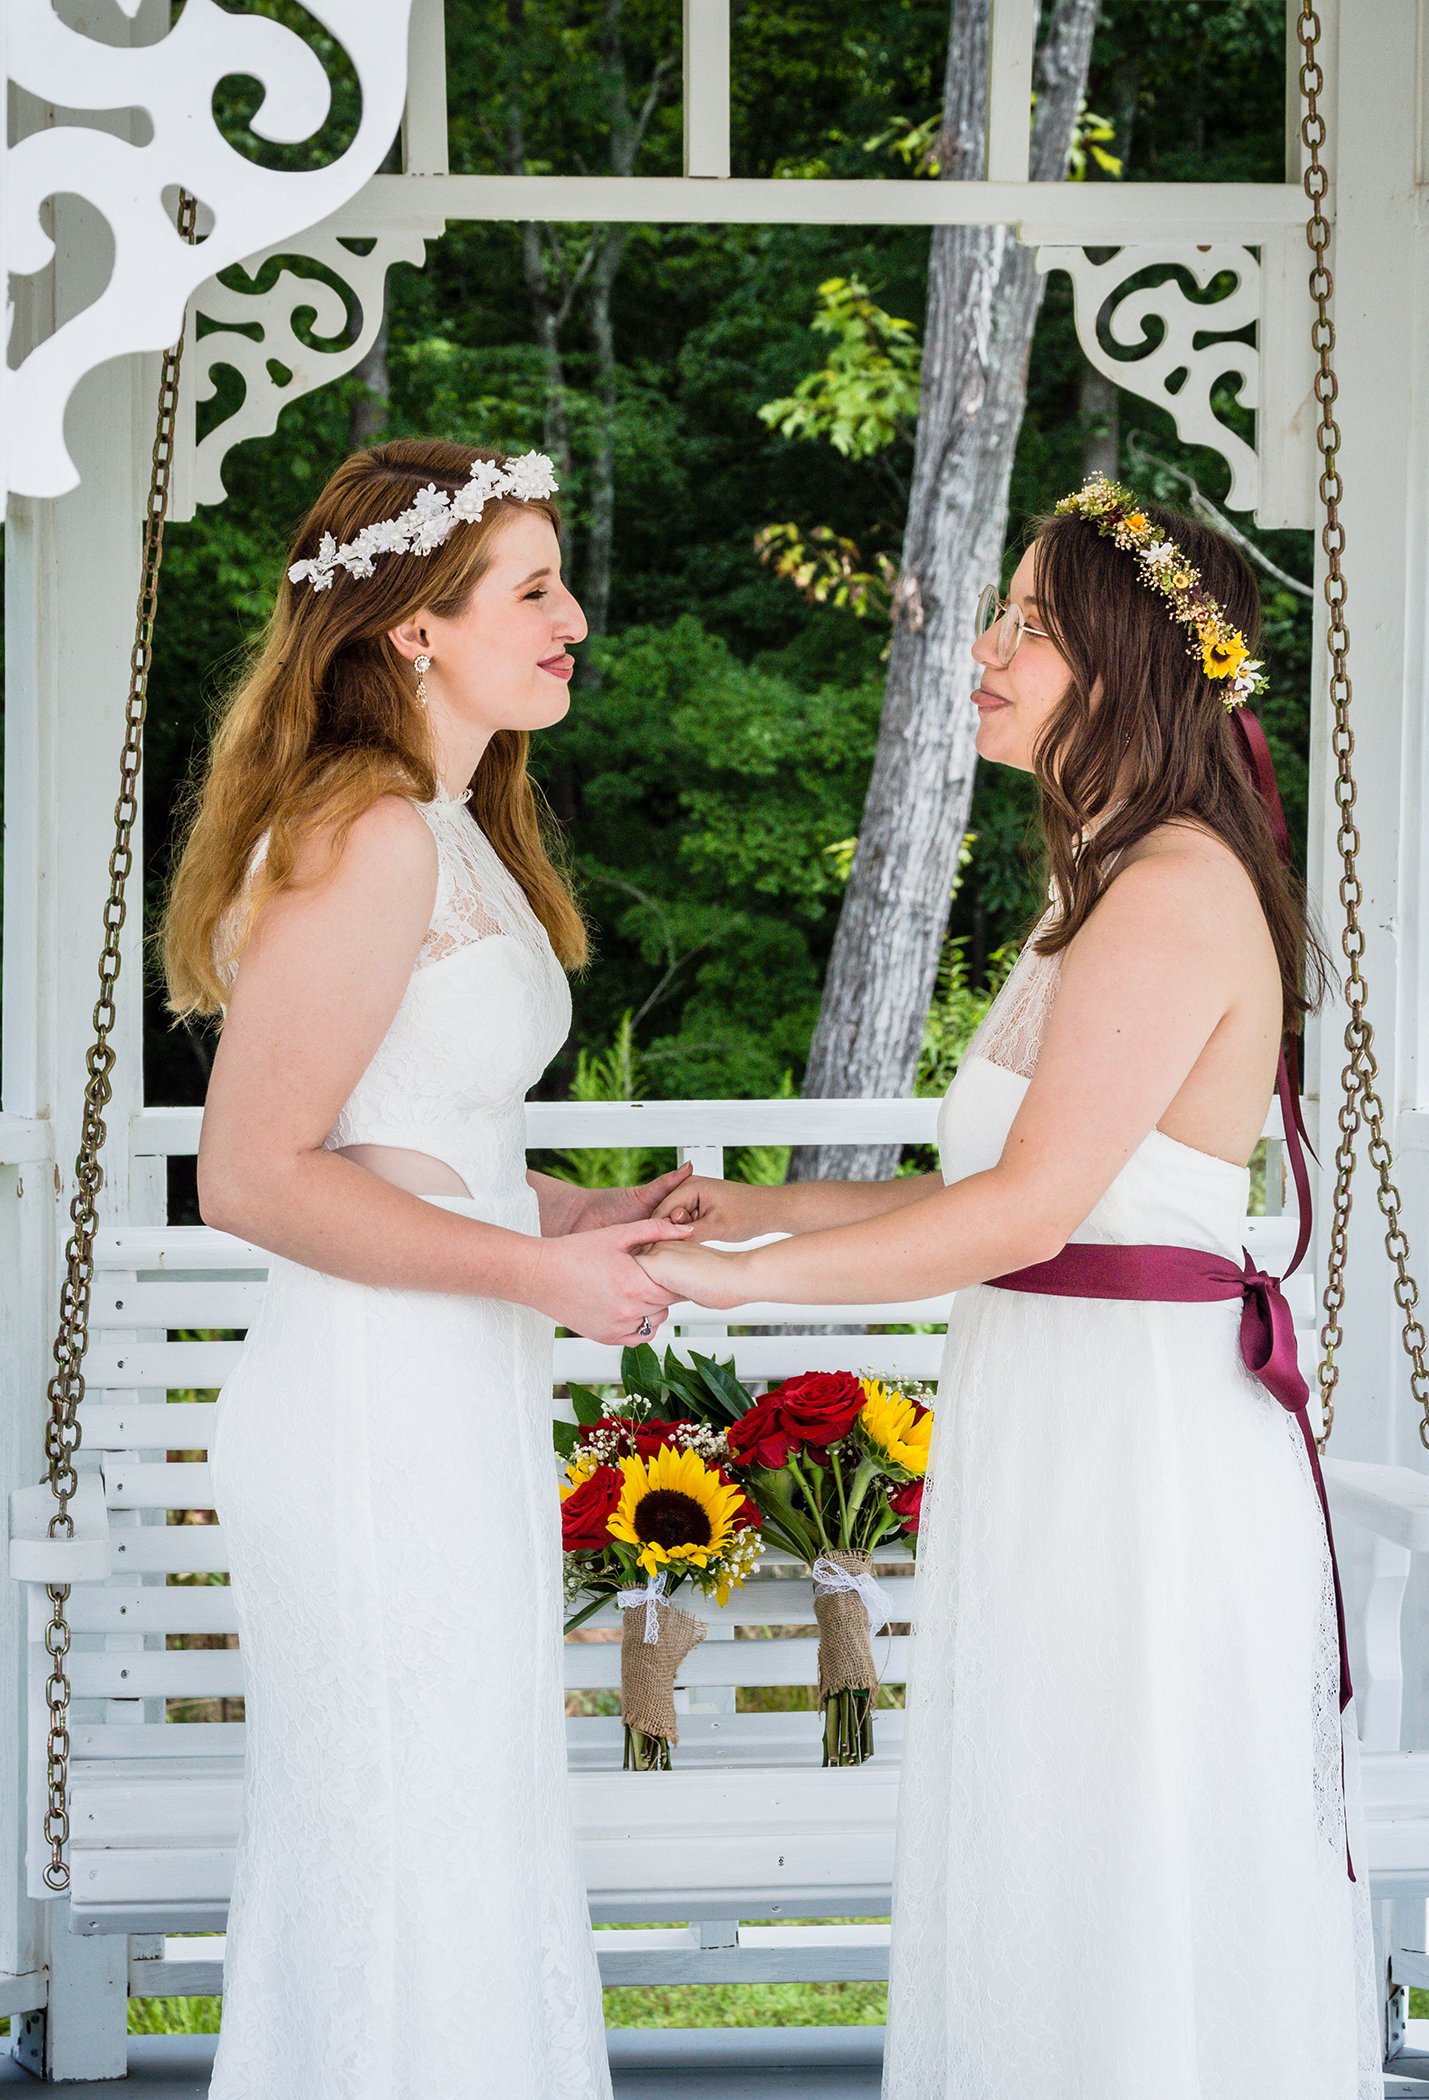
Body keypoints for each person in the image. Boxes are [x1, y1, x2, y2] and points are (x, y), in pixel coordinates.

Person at [641, 481, 1384, 2098]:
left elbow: (1027, 1213)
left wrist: (729, 1291)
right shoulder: (1089, 893)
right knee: (1044, 1837)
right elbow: (1004, 1185)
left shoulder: (1174, 888)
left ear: (1128, 669)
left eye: (1030, 628)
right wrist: (753, 1206)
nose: (983, 649)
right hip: (1058, 1419)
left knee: (1119, 1863)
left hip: (1137, 1455)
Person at [161, 438, 693, 2100]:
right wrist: (537, 1281)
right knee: (403, 1830)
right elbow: (251, 1172)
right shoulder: (369, 833)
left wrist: (575, 1219)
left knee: (458, 1819)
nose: (575, 618)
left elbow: (416, 1138)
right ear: (412, 630)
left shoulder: (453, 829)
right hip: (368, 1412)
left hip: (442, 1392)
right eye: (532, 590)